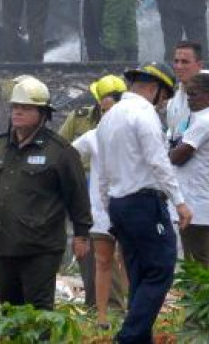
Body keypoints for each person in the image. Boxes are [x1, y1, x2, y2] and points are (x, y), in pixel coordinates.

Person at [0, 76, 92, 309]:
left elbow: (77, 196)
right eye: (15, 107)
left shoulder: (59, 152)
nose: (17, 112)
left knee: (37, 308)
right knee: (8, 306)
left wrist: (81, 234)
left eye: (25, 108)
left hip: (40, 246)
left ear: (42, 113)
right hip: (1, 243)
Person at [96, 63, 192, 344]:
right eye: (164, 98)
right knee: (161, 267)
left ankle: (139, 339)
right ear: (154, 89)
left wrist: (108, 208)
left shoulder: (109, 117)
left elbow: (101, 170)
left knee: (139, 273)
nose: (163, 105)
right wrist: (180, 202)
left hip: (119, 203)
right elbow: (158, 162)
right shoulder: (144, 114)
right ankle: (127, 337)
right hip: (143, 203)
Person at [58, 74, 128, 318]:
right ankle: (94, 304)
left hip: (118, 188)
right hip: (85, 189)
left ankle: (115, 306)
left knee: (116, 251)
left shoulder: (131, 124)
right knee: (89, 249)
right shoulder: (81, 120)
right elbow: (62, 149)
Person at [167, 72, 209, 267]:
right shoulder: (204, 118)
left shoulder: (205, 121)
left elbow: (177, 157)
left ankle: (201, 298)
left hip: (196, 207)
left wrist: (171, 149)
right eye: (188, 94)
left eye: (194, 94)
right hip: (204, 204)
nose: (189, 99)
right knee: (207, 262)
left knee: (197, 265)